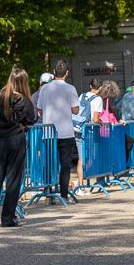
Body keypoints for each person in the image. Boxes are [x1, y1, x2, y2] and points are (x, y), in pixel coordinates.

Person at [0, 67, 37, 228]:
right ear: (24, 82)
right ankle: (8, 218)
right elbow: (30, 120)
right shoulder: (24, 100)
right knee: (13, 180)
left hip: (0, 139)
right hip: (16, 140)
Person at [36, 60, 80, 203]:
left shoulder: (44, 89)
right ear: (67, 73)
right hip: (66, 132)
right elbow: (75, 109)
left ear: (54, 73)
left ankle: (49, 194)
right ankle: (63, 195)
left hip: (48, 132)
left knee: (49, 164)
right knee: (65, 165)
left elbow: (39, 110)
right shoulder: (71, 89)